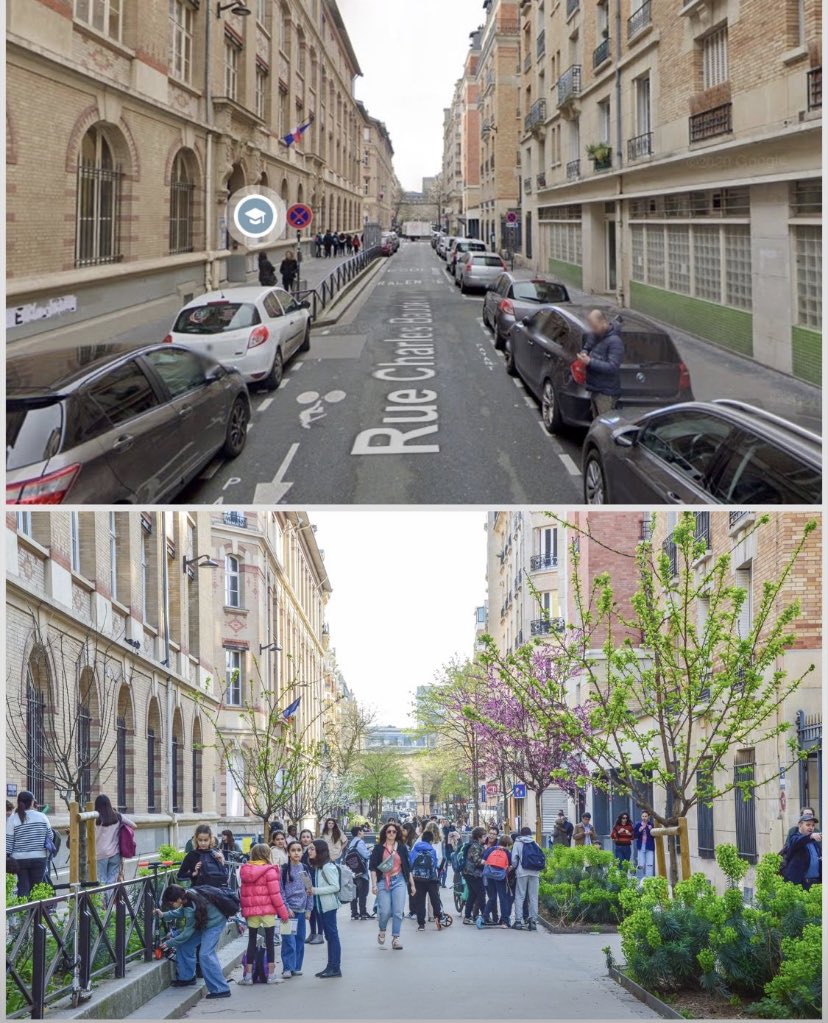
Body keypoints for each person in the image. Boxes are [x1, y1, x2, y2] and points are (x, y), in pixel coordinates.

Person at [155, 885, 230, 999]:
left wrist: (169, 943)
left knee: (206, 954)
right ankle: (187, 978)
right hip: (203, 921)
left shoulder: (190, 905)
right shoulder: (187, 895)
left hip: (215, 922)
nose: (170, 906)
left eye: (171, 903)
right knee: (185, 945)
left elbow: (186, 934)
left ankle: (221, 989)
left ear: (179, 899)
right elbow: (182, 911)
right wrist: (164, 915)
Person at [238, 843, 289, 985]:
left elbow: (243, 894)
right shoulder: (270, 871)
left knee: (252, 941)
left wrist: (244, 910)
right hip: (267, 911)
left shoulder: (245, 871)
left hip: (252, 912)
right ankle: (271, 975)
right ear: (268, 855)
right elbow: (275, 895)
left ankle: (248, 976)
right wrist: (283, 913)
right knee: (270, 941)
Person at [369, 821, 415, 950]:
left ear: (397, 833)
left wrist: (412, 885)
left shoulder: (401, 847)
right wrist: (374, 885)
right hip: (383, 880)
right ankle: (382, 929)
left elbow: (407, 867)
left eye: (394, 831)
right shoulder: (378, 848)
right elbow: (373, 868)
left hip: (399, 880)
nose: (391, 833)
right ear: (385, 833)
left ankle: (396, 938)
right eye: (389, 831)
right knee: (385, 911)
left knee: (398, 911)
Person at [575, 309, 624, 418]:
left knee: (604, 428)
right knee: (596, 426)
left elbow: (612, 367)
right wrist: (584, 352)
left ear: (604, 322)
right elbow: (587, 346)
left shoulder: (615, 342)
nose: (593, 330)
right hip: (595, 389)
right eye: (592, 327)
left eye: (595, 327)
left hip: (606, 393)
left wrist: (589, 362)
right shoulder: (596, 335)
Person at [306, 840, 342, 978]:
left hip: (329, 907)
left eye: (312, 849)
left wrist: (315, 890)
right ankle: (331, 966)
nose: (309, 851)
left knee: (332, 936)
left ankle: (335, 967)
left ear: (319, 851)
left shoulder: (327, 867)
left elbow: (335, 887)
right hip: (322, 907)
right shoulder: (319, 867)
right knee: (330, 936)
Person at [6, 790, 52, 898]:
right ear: (32, 802)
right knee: (36, 888)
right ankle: (36, 914)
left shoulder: (13, 819)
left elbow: (8, 841)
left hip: (19, 859)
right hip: (40, 857)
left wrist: (7, 856)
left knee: (23, 887)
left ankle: (23, 914)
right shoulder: (42, 817)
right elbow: (50, 836)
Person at [280, 840, 313, 978]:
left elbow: (309, 890)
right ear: (288, 852)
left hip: (301, 911)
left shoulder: (304, 869)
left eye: (299, 850)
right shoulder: (284, 870)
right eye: (293, 850)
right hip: (288, 913)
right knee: (288, 940)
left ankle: (296, 967)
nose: (296, 853)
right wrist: (286, 908)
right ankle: (287, 967)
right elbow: (280, 891)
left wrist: (309, 909)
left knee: (299, 939)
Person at [94, 794, 135, 888]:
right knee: (112, 882)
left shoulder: (94, 818)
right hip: (115, 853)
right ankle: (110, 901)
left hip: (99, 854)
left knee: (101, 881)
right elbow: (134, 825)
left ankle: (103, 903)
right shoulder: (117, 816)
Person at [511, 826, 544, 931]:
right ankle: (533, 921)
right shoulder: (535, 843)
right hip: (535, 872)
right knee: (533, 897)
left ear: (521, 834)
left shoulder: (517, 843)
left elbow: (514, 860)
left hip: (522, 872)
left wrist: (514, 868)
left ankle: (518, 921)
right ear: (530, 834)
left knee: (520, 896)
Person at [409, 829, 442, 931]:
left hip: (417, 879)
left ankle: (421, 924)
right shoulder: (432, 850)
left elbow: (410, 864)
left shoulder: (414, 850)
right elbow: (436, 864)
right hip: (431, 879)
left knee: (420, 901)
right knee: (434, 899)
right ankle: (437, 917)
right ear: (431, 840)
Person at [781, 815, 822, 889]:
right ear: (800, 825)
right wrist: (811, 836)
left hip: (816, 883)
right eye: (808, 825)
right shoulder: (794, 838)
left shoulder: (815, 843)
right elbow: (798, 841)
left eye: (813, 825)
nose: (811, 827)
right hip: (801, 884)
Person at [298, 829, 323, 944]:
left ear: (311, 838)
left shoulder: (315, 852)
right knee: (311, 910)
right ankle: (312, 933)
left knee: (317, 910)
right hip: (307, 884)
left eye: (308, 837)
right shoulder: (301, 852)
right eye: (303, 837)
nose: (305, 839)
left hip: (316, 884)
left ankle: (320, 934)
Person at [482, 835, 512, 928]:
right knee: (503, 898)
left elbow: (482, 862)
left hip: (490, 875)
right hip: (501, 877)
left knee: (492, 897)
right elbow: (510, 866)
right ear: (507, 844)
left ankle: (484, 917)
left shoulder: (491, 849)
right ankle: (505, 921)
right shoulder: (507, 852)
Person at [343, 825, 371, 920]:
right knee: (363, 893)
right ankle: (363, 912)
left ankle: (354, 913)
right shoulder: (360, 842)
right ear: (359, 832)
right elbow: (366, 855)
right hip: (362, 873)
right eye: (362, 831)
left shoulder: (351, 843)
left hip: (353, 872)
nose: (363, 833)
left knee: (354, 893)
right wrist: (370, 851)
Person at [461, 827, 486, 926]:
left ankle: (467, 916)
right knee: (481, 894)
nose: (485, 838)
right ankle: (485, 916)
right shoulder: (475, 846)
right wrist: (487, 862)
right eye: (484, 836)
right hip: (473, 874)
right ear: (478, 837)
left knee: (472, 895)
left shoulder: (475, 845)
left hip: (469, 873)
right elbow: (476, 860)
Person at [633, 811, 655, 878]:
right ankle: (640, 879)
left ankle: (649, 880)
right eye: (643, 816)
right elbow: (635, 835)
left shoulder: (651, 825)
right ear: (641, 817)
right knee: (641, 864)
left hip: (649, 846)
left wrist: (651, 831)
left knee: (649, 864)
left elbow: (654, 836)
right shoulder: (638, 825)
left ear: (648, 817)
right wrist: (640, 830)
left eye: (646, 816)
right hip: (641, 847)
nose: (644, 818)